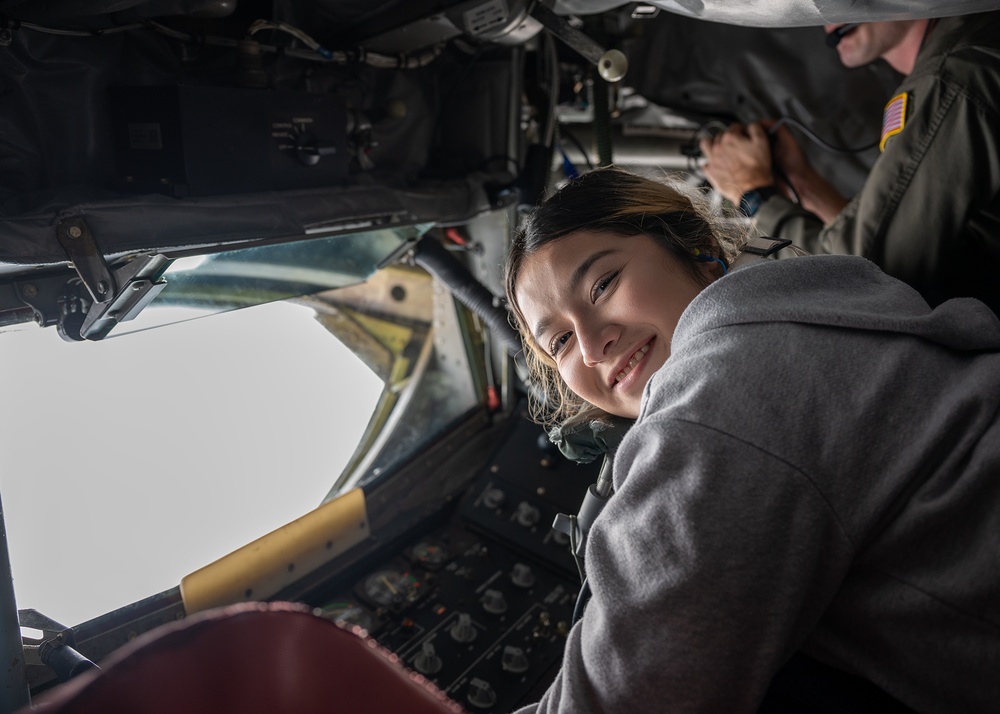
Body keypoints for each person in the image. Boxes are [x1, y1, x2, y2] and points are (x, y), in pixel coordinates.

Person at [503, 166, 1000, 714]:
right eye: (561, 341)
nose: (594, 346)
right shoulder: (816, 294)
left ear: (691, 247)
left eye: (602, 285)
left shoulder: (718, 394)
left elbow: (627, 696)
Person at [698, 14, 1000, 314]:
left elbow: (863, 279)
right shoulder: (958, 57)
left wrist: (753, 195)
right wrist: (803, 184)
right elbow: (886, 238)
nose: (828, 15)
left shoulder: (951, 77)